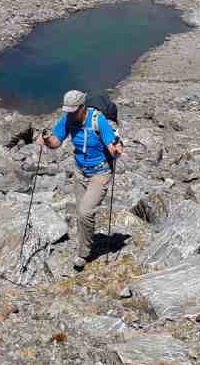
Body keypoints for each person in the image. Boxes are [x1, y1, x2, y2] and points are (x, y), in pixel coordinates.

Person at [37, 89, 124, 271]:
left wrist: (115, 150)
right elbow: (56, 142)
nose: (69, 113)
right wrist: (46, 139)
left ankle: (83, 253)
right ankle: (86, 242)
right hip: (80, 172)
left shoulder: (97, 120)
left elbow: (110, 142)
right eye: (67, 110)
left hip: (100, 172)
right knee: (80, 213)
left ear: (82, 107)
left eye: (72, 110)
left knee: (85, 212)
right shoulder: (68, 120)